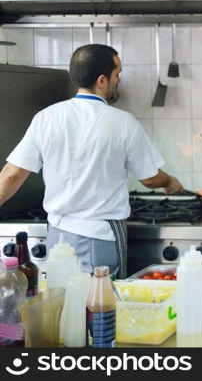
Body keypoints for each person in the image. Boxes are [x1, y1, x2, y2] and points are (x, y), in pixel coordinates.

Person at [0, 44, 183, 277]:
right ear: (102, 81)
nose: (120, 80)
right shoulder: (123, 122)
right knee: (100, 307)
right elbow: (149, 178)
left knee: (65, 307)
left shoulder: (46, 118)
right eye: (117, 74)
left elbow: (12, 173)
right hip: (101, 237)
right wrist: (169, 182)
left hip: (58, 236)